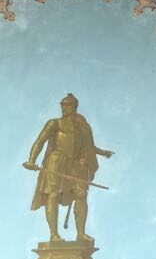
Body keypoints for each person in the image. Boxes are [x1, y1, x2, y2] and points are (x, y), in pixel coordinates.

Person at [23, 93, 113, 243]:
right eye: (62, 105)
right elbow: (40, 141)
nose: (63, 107)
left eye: (67, 105)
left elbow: (88, 146)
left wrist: (102, 152)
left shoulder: (81, 126)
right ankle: (54, 235)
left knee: (81, 195)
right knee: (53, 195)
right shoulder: (54, 123)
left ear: (74, 107)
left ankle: (81, 234)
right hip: (56, 162)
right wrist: (31, 160)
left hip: (76, 164)